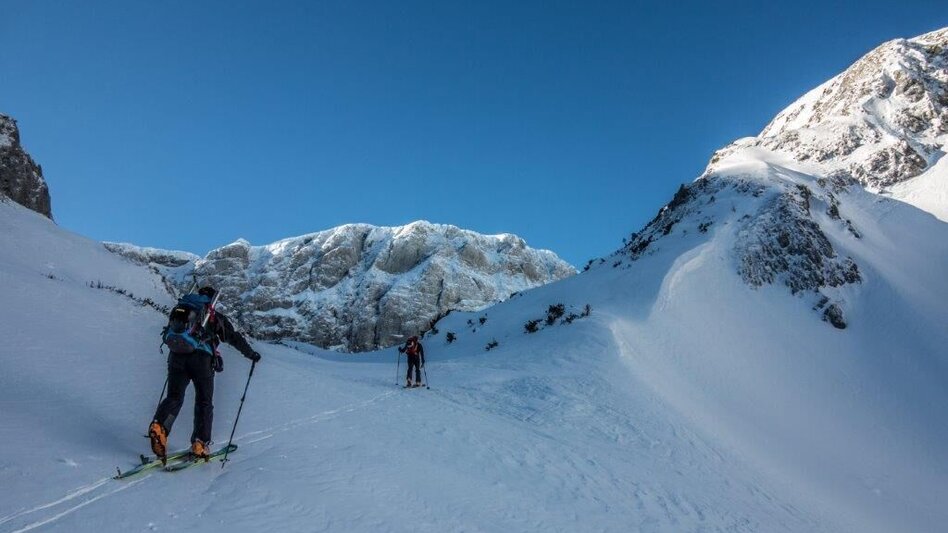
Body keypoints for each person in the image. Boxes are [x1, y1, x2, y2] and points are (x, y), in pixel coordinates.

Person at [149, 286, 261, 461]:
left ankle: (160, 427)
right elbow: (233, 337)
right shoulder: (212, 316)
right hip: (202, 361)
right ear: (212, 300)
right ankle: (200, 443)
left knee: (174, 397)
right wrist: (251, 354)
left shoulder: (182, 309)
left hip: (176, 358)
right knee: (204, 402)